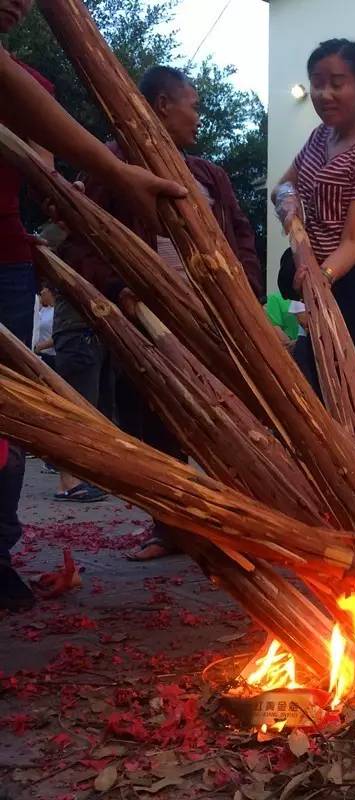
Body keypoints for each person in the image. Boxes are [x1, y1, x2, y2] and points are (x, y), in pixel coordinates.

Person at [0, 8, 185, 610]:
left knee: (8, 414)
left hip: (6, 255)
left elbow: (49, 175)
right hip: (55, 281)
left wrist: (76, 193)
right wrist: (111, 173)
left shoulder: (34, 88)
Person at [61, 65, 263, 560]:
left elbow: (241, 233)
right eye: (192, 104)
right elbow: (81, 241)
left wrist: (246, 294)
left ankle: (244, 522)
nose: (199, 115)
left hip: (215, 317)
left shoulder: (207, 173)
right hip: (148, 318)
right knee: (156, 421)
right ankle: (172, 527)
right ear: (161, 104)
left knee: (230, 415)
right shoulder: (111, 167)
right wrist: (121, 290)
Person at [273, 39, 355, 414]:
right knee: (318, 395)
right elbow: (283, 186)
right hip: (318, 279)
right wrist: (289, 207)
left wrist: (319, 274)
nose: (324, 94)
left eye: (337, 83)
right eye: (316, 82)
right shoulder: (317, 139)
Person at [33, 286, 56, 370]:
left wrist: (38, 347)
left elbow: (57, 336)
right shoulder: (44, 309)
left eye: (44, 289)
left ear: (50, 292)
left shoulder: (57, 311)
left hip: (49, 356)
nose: (41, 292)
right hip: (38, 354)